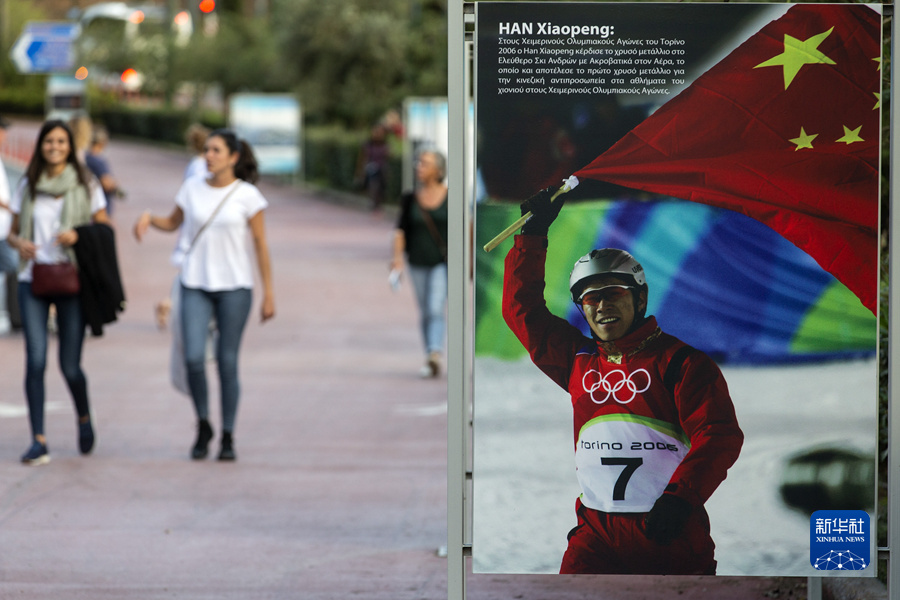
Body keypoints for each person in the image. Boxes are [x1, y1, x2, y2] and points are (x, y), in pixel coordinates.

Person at [501, 188, 743, 574]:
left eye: (613, 294)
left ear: (640, 299)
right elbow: (521, 309)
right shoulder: (578, 360)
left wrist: (681, 499)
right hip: (595, 536)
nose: (602, 306)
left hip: (668, 529)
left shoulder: (682, 362)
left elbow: (719, 435)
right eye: (590, 299)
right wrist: (533, 235)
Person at [133, 129, 275, 461]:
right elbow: (173, 223)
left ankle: (227, 436)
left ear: (233, 157)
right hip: (195, 283)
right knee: (194, 357)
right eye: (207, 150)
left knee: (227, 362)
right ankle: (203, 423)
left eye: (216, 150)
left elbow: (260, 245)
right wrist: (148, 219)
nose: (208, 155)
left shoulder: (248, 196)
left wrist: (269, 293)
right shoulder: (192, 188)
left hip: (235, 287)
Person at [6, 119, 112, 465]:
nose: (54, 147)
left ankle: (83, 416)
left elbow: (105, 227)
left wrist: (79, 235)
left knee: (69, 366)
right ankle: (38, 439)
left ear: (70, 146)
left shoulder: (86, 183)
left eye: (61, 142)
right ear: (41, 146)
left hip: (72, 280)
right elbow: (12, 231)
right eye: (49, 141)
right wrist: (19, 242)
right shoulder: (29, 183)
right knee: (35, 360)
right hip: (33, 279)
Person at [390, 150, 448, 378]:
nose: (419, 167)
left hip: (442, 263)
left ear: (439, 170)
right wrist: (396, 261)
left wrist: (469, 263)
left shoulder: (451, 196)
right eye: (419, 163)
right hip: (416, 261)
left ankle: (434, 352)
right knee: (425, 311)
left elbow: (467, 227)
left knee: (435, 307)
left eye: (425, 163)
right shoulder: (410, 198)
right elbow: (399, 231)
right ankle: (429, 353)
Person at [0, 115, 20, 332]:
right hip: (2, 228)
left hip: (3, 228)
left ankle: (16, 316)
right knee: (13, 268)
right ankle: (17, 317)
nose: (4, 136)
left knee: (12, 268)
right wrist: (12, 209)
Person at [84, 124, 121, 217]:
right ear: (102, 142)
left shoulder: (86, 157)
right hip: (102, 206)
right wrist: (115, 186)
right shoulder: (98, 161)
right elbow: (106, 183)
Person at [356, 123, 390, 212]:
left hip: (382, 168)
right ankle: (374, 203)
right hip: (371, 168)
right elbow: (363, 158)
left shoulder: (385, 144)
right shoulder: (368, 144)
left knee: (381, 185)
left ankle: (379, 202)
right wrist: (360, 172)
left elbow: (388, 156)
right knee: (373, 184)